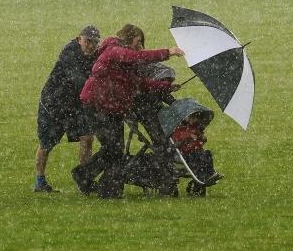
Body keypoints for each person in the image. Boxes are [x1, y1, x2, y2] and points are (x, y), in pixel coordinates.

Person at [72, 24, 184, 199]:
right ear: (128, 38)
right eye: (138, 41)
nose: (139, 46)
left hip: (113, 108)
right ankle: (87, 177)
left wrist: (166, 86)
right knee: (112, 148)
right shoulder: (115, 51)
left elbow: (138, 84)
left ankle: (108, 189)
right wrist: (168, 52)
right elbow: (138, 56)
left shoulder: (124, 63)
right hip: (97, 106)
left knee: (115, 150)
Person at [34, 25, 101, 193]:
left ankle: (84, 179)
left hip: (76, 105)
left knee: (87, 138)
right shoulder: (69, 52)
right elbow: (77, 80)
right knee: (47, 144)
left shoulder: (95, 55)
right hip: (54, 106)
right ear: (79, 39)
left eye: (95, 42)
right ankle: (40, 181)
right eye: (88, 41)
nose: (91, 45)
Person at [171, 109, 222, 186]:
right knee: (199, 158)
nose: (194, 120)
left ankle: (211, 173)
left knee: (207, 154)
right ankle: (202, 175)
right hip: (187, 154)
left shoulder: (195, 128)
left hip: (197, 151)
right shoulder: (179, 130)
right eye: (192, 118)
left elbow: (203, 140)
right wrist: (188, 137)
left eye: (195, 118)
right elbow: (176, 143)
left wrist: (202, 137)